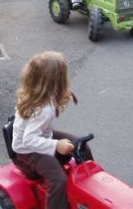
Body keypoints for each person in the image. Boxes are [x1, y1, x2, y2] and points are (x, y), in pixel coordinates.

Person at [12, 51, 90, 209]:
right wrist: (56, 145)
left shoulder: (41, 93)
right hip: (27, 150)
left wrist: (63, 94)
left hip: (42, 135)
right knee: (58, 180)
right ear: (55, 83)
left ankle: (89, 184)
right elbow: (28, 140)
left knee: (82, 146)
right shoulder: (43, 110)